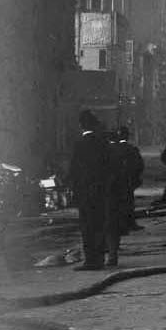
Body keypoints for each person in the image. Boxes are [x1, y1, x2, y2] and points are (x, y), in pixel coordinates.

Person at [67, 110, 111, 269]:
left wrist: (71, 187)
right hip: (101, 191)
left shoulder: (79, 144)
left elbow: (74, 170)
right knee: (99, 225)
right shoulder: (102, 143)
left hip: (85, 192)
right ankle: (99, 258)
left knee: (87, 227)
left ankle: (91, 260)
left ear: (81, 125)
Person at [102, 128, 144, 267]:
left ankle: (108, 252)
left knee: (106, 223)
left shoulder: (103, 152)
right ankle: (113, 252)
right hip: (122, 189)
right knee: (115, 222)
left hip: (106, 192)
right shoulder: (127, 150)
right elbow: (138, 166)